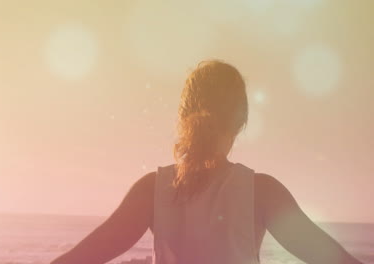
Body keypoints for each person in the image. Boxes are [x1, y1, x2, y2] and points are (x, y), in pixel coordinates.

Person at [50, 60, 363, 264]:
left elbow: (77, 260)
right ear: (241, 121)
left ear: (184, 117)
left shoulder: (151, 191)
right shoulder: (263, 192)